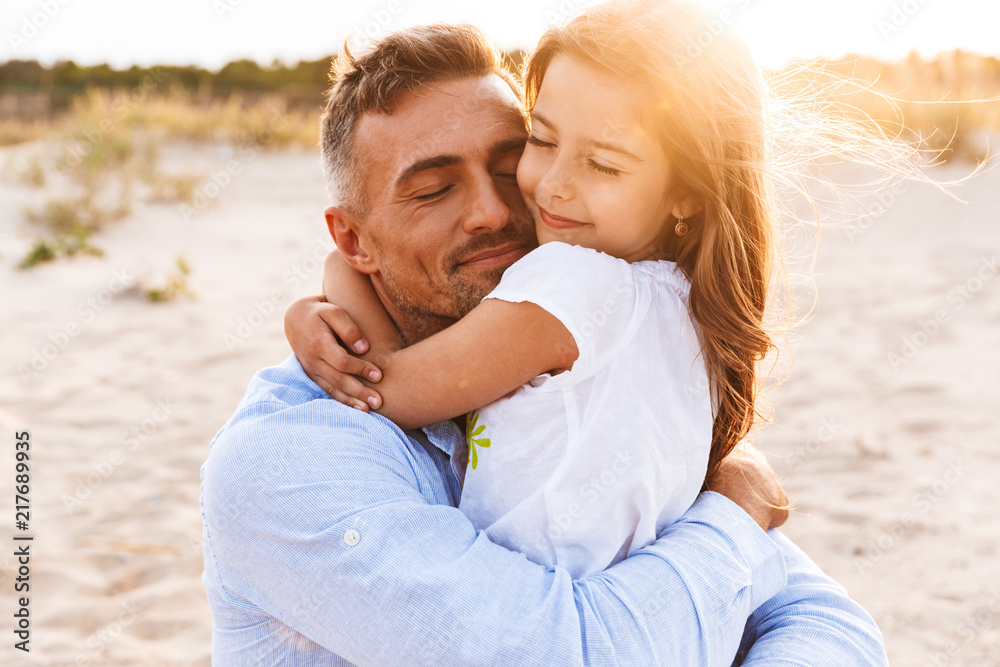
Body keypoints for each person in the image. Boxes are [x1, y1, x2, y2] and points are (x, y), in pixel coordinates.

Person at [200, 19, 888, 667]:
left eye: (509, 163)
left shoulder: (595, 361)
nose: (498, 210)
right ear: (354, 241)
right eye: (434, 190)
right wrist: (735, 514)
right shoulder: (286, 461)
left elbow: (828, 624)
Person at [287, 0, 781, 581]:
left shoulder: (571, 283)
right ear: (354, 235)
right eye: (542, 141)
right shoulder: (685, 303)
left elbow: (383, 389)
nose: (551, 185)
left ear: (688, 191)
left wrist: (337, 279)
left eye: (603, 164)